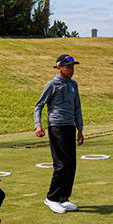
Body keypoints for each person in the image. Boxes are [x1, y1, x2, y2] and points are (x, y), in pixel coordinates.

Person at [34, 55, 84, 214]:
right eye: (68, 66)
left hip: (70, 127)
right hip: (56, 127)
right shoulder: (52, 84)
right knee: (62, 163)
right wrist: (38, 125)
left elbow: (77, 108)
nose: (72, 69)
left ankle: (63, 197)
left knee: (71, 164)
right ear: (59, 68)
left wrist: (80, 128)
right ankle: (51, 198)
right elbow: (39, 105)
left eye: (73, 66)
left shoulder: (74, 84)